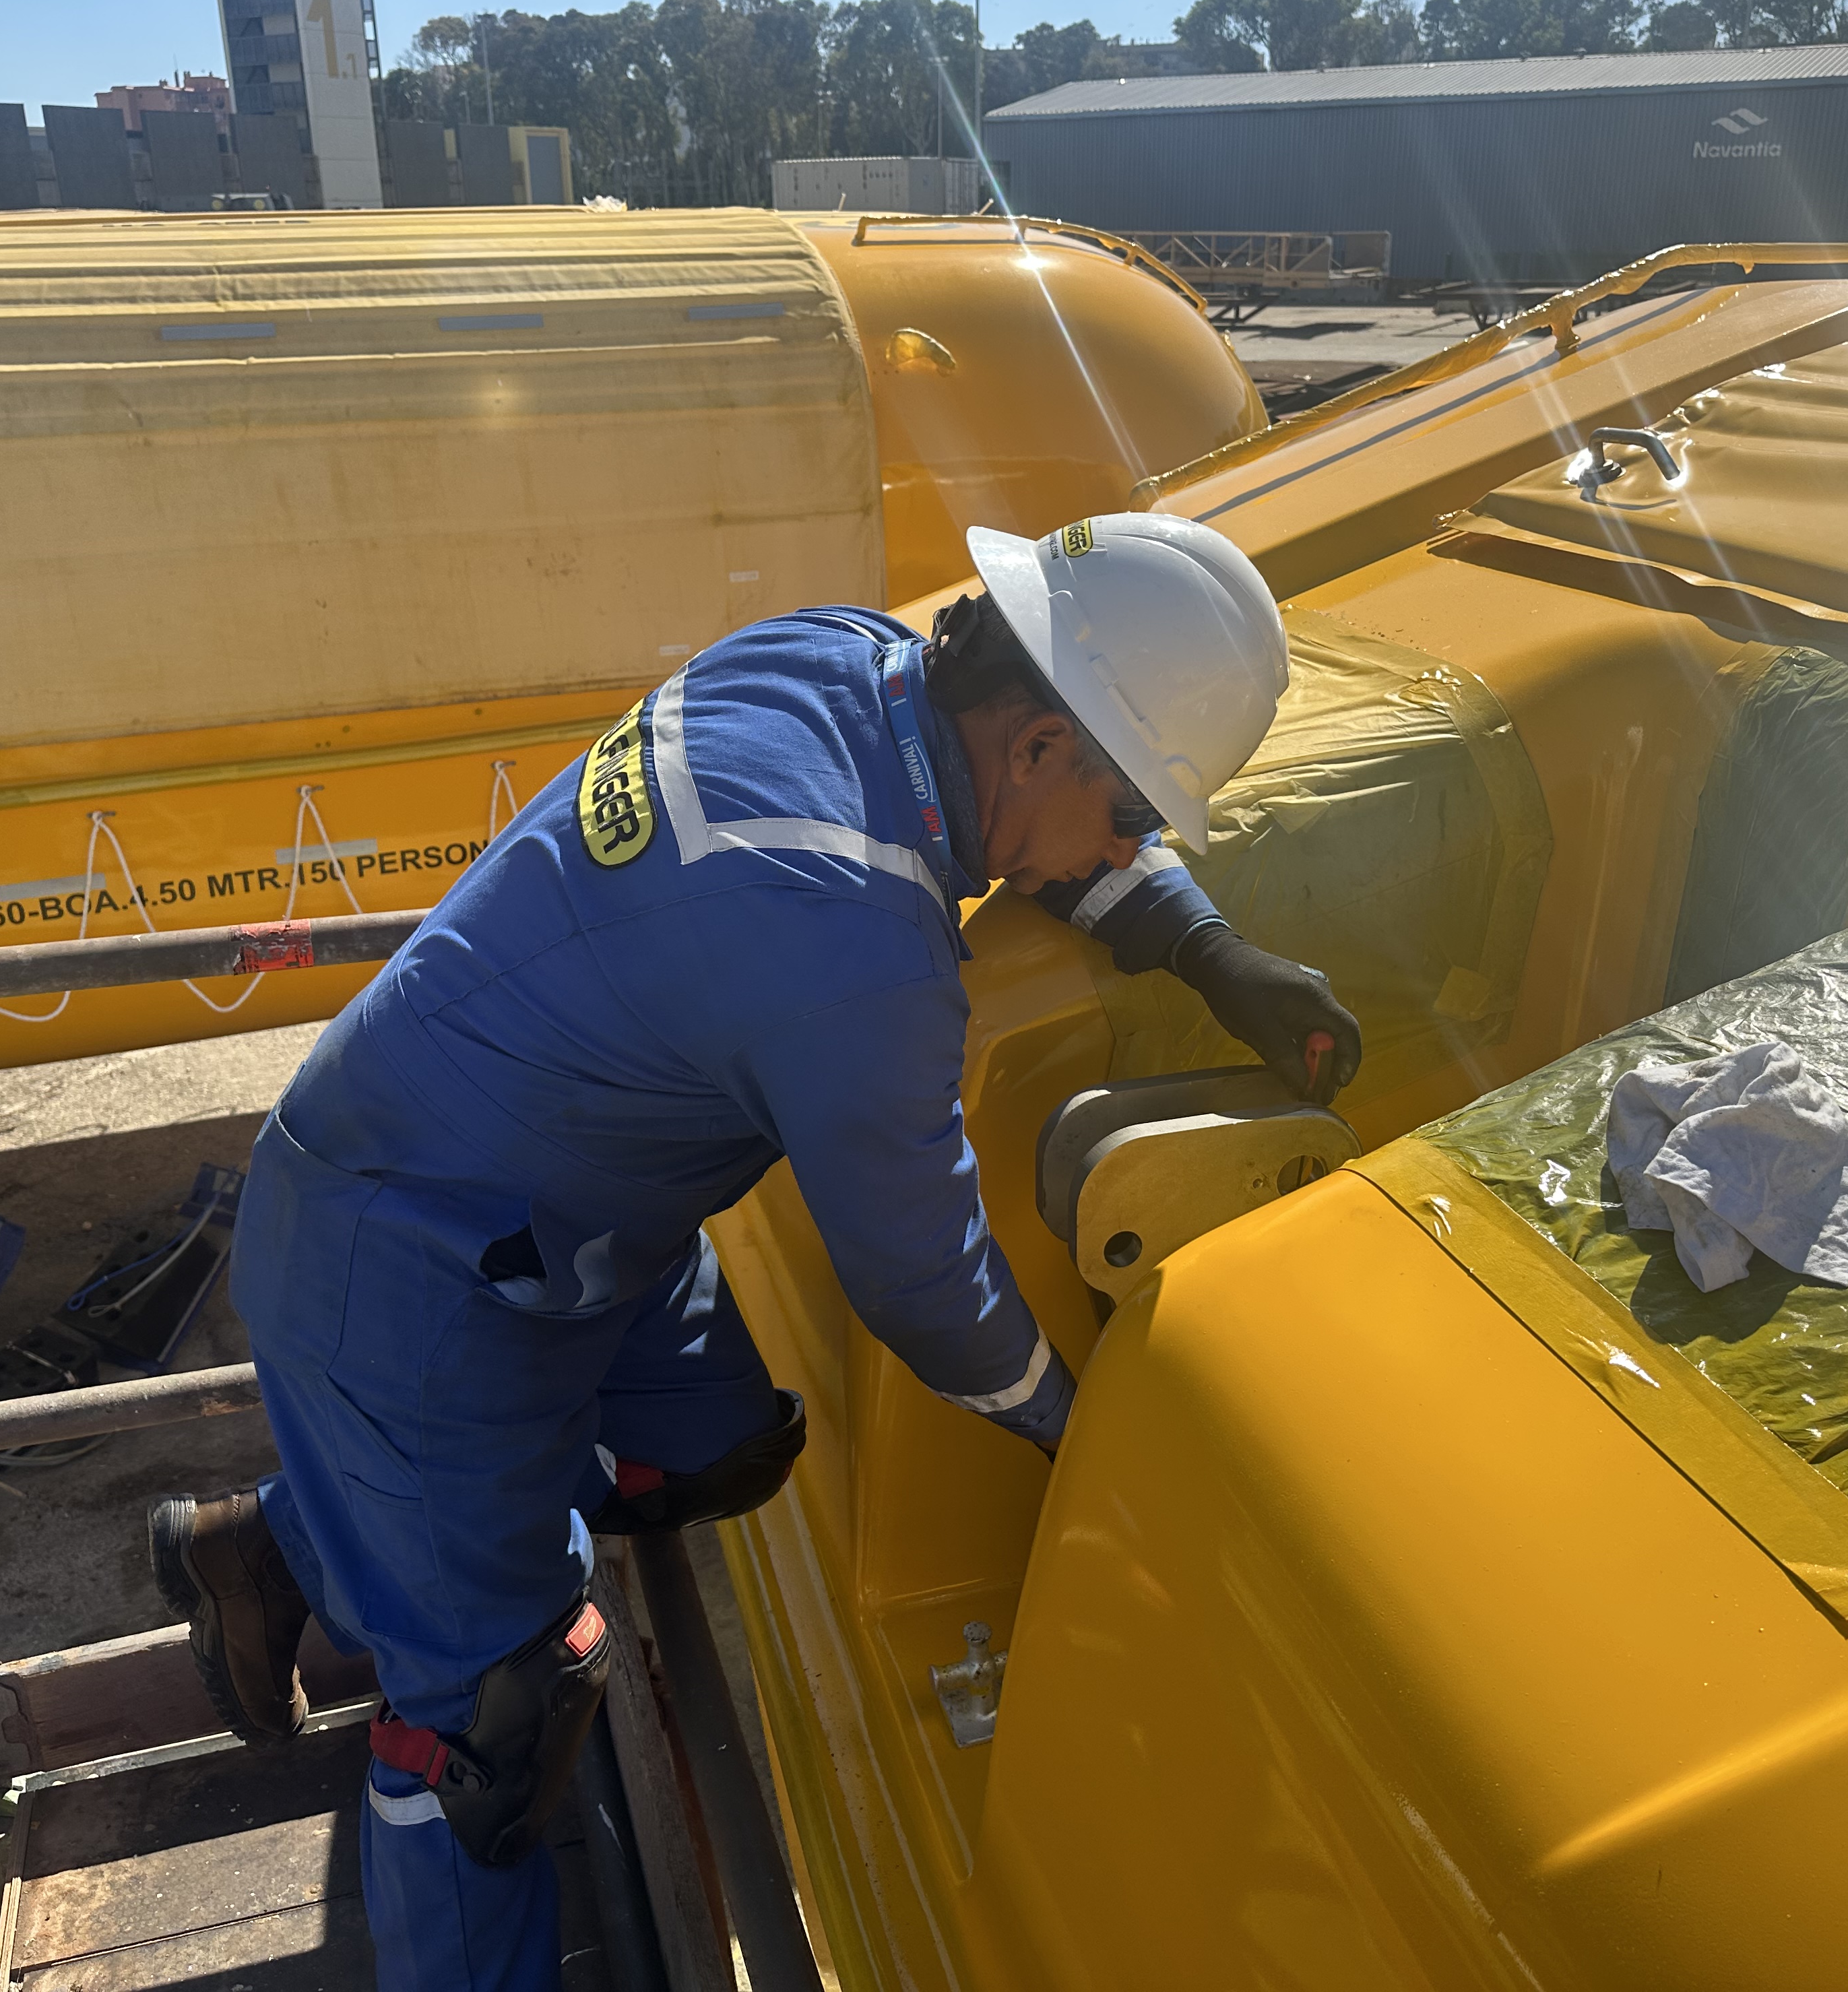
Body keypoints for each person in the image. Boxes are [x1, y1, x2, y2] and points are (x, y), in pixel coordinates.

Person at [146, 513, 1363, 1990]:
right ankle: (416, 1650)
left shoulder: (842, 661)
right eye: (1134, 818)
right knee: (498, 1715)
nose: (1127, 851)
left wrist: (1200, 945)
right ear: (1041, 742)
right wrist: (1089, 1428)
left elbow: (1025, 834)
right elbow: (929, 1287)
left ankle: (286, 1543)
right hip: (400, 1263)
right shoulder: (849, 938)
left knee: (720, 1449)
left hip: (567, 1213)